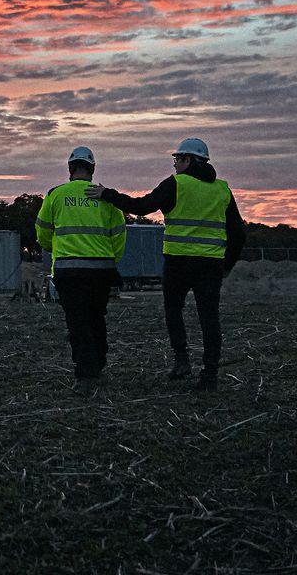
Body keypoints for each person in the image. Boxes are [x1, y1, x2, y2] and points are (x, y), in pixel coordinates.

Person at [84, 138, 245, 392]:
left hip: (178, 262)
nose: (175, 165)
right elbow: (238, 233)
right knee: (209, 319)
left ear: (188, 160)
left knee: (173, 309)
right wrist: (227, 265)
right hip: (211, 265)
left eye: (177, 160)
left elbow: (142, 207)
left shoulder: (176, 185)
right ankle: (210, 375)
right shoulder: (222, 189)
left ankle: (182, 361)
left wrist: (108, 195)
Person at [35, 146, 126, 397]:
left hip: (68, 271)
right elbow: (119, 235)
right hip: (101, 271)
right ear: (92, 169)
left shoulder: (56, 195)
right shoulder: (105, 198)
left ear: (70, 168)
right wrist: (110, 259)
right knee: (97, 318)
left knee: (78, 322)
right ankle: (98, 364)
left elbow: (42, 231)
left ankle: (86, 374)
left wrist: (54, 247)